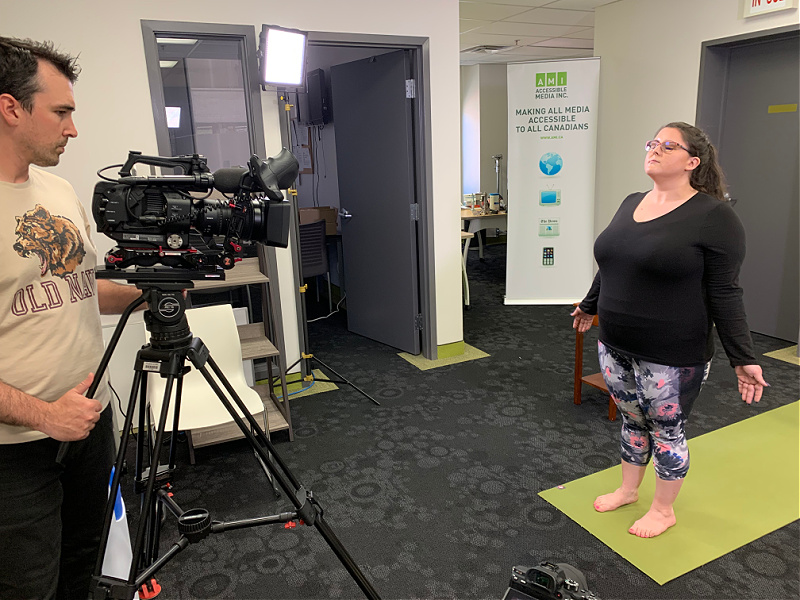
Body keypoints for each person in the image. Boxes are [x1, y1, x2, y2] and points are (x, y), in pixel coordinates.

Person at [571, 121, 768, 539]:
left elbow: (726, 292)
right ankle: (628, 489)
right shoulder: (631, 202)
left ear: (692, 162)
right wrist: (589, 306)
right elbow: (612, 262)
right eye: (652, 142)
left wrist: (743, 357)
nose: (655, 149)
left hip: (672, 353)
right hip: (616, 343)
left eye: (668, 145)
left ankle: (663, 510)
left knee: (666, 430)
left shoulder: (715, 216)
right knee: (630, 420)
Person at [0, 36, 144, 599]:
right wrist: (44, 415)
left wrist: (144, 293)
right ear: (11, 107)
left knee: (84, 563)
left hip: (90, 423)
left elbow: (79, 289)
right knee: (26, 586)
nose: (73, 129)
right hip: (16, 450)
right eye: (62, 112)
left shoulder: (59, 190)